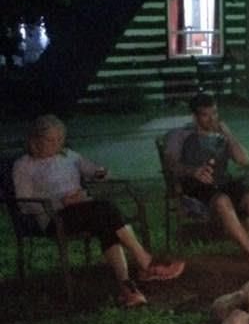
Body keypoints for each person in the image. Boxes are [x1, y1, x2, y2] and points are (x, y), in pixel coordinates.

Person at [13, 114, 184, 307]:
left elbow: (98, 171)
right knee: (106, 209)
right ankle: (144, 261)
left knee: (107, 223)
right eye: (50, 140)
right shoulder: (24, 165)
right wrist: (62, 202)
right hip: (54, 217)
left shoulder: (70, 156)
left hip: (85, 210)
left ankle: (128, 290)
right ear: (35, 141)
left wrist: (99, 173)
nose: (57, 144)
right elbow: (24, 204)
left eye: (60, 139)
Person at [164, 93, 249, 271]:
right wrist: (193, 171)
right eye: (206, 114)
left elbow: (244, 160)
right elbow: (170, 164)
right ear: (195, 116)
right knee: (222, 201)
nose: (212, 118)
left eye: (215, 113)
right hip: (196, 185)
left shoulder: (221, 135)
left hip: (223, 182)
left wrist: (228, 133)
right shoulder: (180, 135)